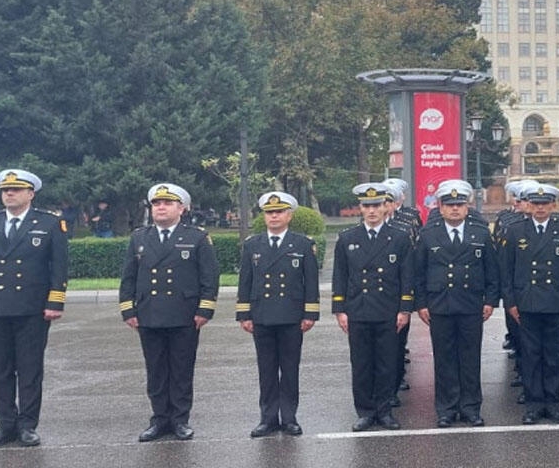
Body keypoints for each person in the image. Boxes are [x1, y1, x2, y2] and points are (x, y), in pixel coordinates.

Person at [0, 169, 69, 448]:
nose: (9, 194)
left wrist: (55, 301)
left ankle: (27, 424)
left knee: (30, 368)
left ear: (30, 194)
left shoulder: (49, 223)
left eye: (16, 190)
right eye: (6, 190)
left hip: (31, 308)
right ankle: (5, 422)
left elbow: (58, 266)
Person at [120, 183, 220, 442]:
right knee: (155, 370)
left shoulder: (197, 237)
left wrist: (205, 309)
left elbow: (209, 277)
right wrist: (128, 309)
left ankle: (179, 420)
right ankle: (159, 419)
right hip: (149, 314)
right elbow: (129, 277)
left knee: (181, 369)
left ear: (182, 208)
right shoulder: (140, 237)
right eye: (156, 203)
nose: (161, 207)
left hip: (184, 315)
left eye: (167, 203)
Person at [412, 179, 499, 427]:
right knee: (444, 358)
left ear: (467, 206)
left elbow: (492, 270)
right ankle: (447, 409)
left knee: (470, 359)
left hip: (471, 305)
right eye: (449, 205)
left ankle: (471, 407)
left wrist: (491, 300)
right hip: (440, 306)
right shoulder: (428, 235)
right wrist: (421, 304)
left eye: (459, 204)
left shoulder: (481, 233)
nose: (454, 209)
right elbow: (418, 273)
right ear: (440, 208)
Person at [331, 183, 413, 431]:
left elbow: (405, 276)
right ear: (360, 208)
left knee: (387, 363)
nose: (372, 211)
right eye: (367, 206)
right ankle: (365, 411)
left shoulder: (399, 237)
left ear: (386, 206)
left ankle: (384, 410)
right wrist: (340, 309)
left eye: (377, 205)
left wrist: (404, 309)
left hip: (388, 310)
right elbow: (340, 276)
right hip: (358, 309)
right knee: (362, 363)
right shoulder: (347, 238)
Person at [237, 191, 319, 437]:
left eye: (279, 212)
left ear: (289, 215)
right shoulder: (253, 244)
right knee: (267, 369)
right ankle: (268, 418)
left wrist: (310, 313)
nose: (274, 216)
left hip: (291, 316)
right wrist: (244, 314)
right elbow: (245, 281)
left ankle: (290, 417)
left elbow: (311, 282)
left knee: (290, 368)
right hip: (262, 315)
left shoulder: (303, 244)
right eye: (269, 213)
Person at [502, 183, 559, 424]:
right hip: (527, 302)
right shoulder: (515, 231)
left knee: (553, 355)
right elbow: (507, 271)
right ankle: (534, 404)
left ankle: (554, 403)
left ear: (553, 206)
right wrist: (511, 303)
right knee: (530, 355)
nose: (539, 208)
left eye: (544, 204)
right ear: (527, 205)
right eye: (535, 204)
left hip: (555, 302)